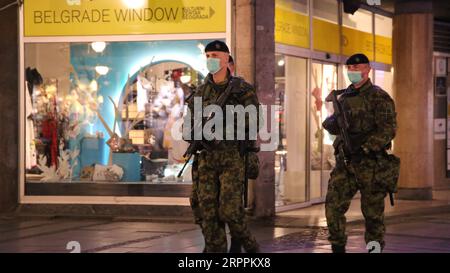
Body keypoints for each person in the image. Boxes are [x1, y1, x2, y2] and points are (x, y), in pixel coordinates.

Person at [185, 40, 260, 253]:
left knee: (230, 211)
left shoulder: (242, 90)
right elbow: (187, 126)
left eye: (216, 55)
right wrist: (195, 132)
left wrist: (222, 123)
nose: (211, 60)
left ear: (227, 58)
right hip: (207, 159)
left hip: (231, 158)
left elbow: (255, 122)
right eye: (208, 56)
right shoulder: (199, 92)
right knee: (207, 213)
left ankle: (253, 249)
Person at [322, 53, 399, 253]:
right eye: (350, 69)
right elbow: (332, 125)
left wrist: (367, 147)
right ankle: (338, 248)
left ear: (368, 70)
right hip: (346, 164)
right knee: (333, 207)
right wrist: (333, 122)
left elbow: (388, 129)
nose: (353, 72)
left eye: (358, 68)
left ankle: (374, 250)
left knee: (373, 217)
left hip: (371, 165)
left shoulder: (379, 97)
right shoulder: (344, 97)